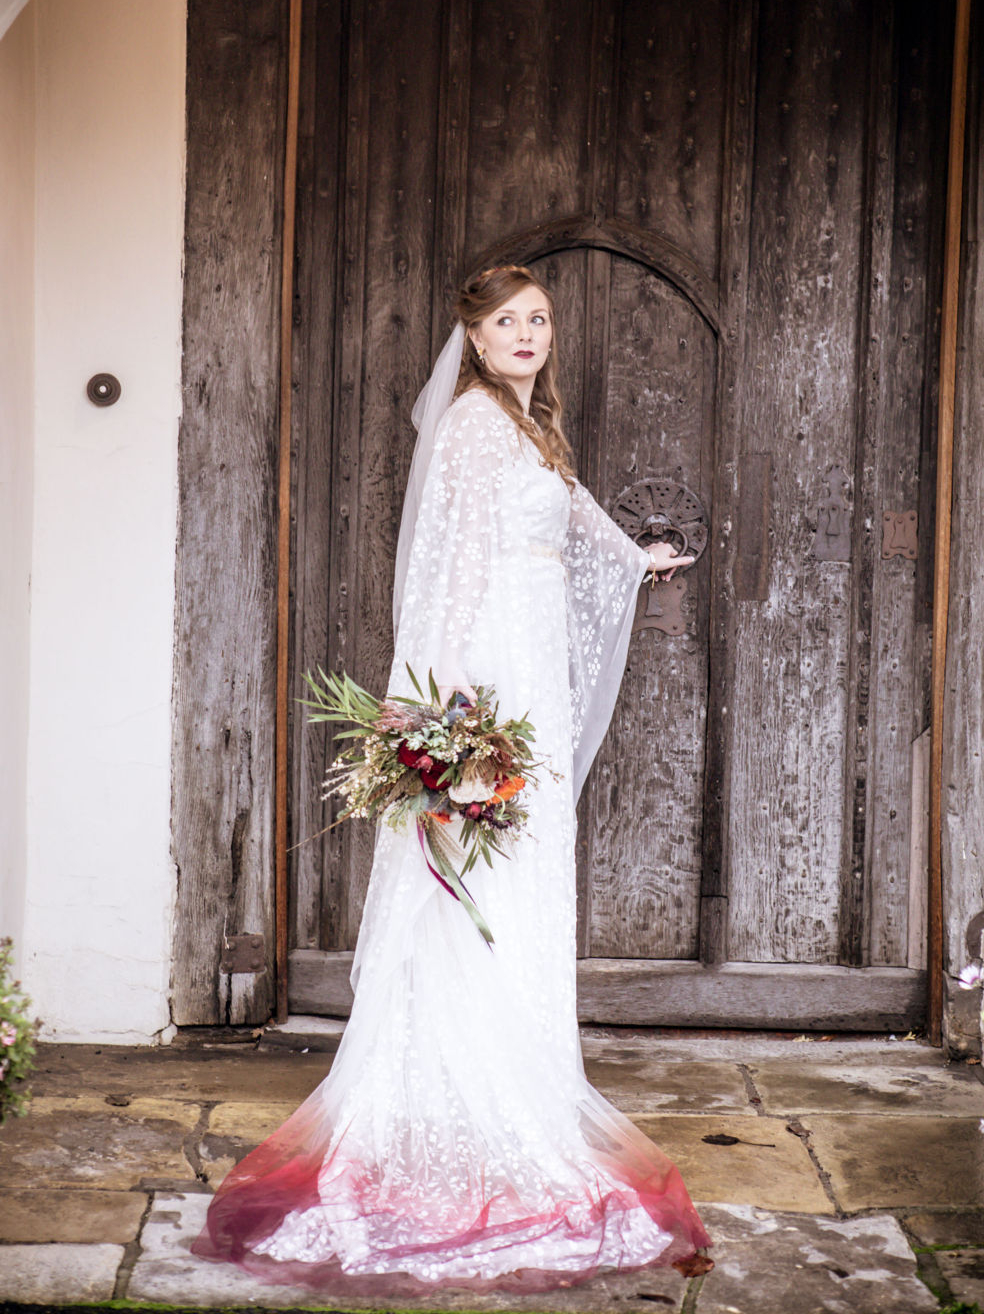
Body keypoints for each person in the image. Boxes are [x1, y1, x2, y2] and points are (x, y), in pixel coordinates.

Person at [191, 264, 713, 1295]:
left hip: (532, 689)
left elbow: (567, 521)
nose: (527, 334)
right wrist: (443, 712)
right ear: (472, 339)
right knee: (475, 883)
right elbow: (449, 566)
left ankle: (516, 1073)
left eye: (540, 321)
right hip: (491, 688)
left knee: (516, 885)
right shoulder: (476, 425)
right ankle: (464, 1098)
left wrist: (635, 559)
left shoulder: (529, 427)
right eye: (507, 322)